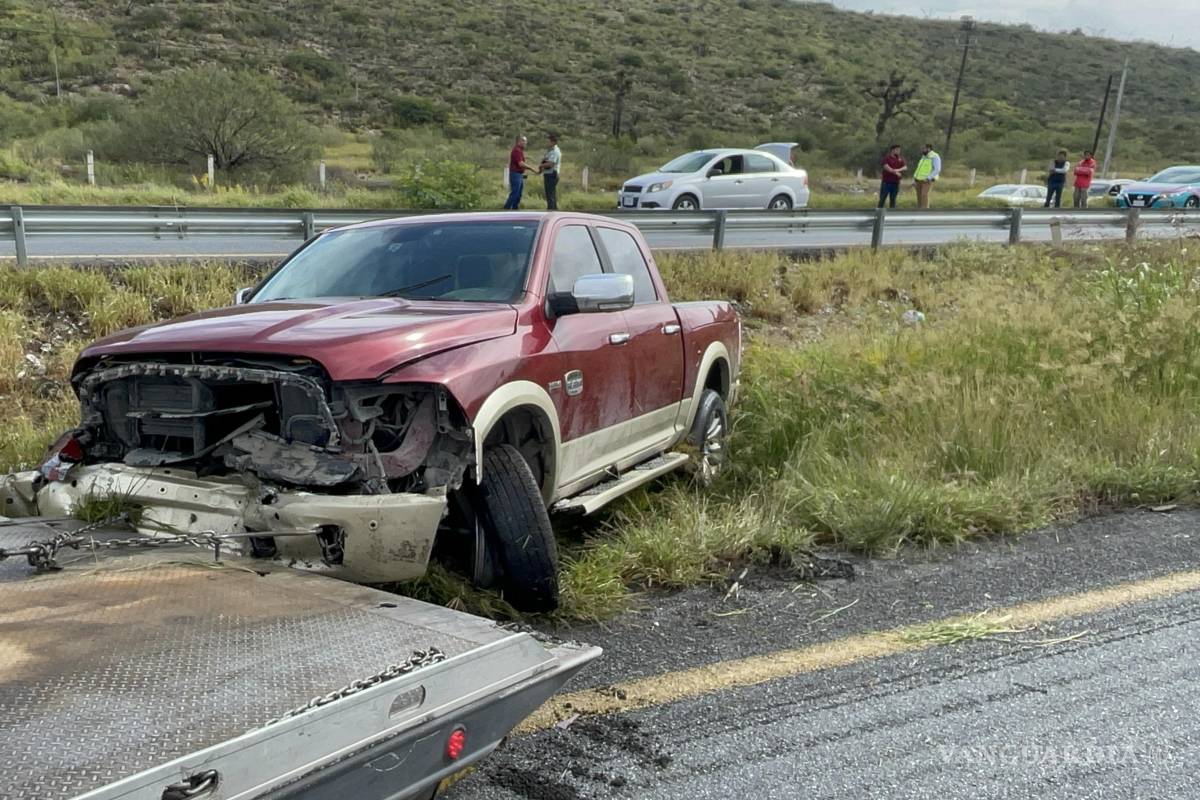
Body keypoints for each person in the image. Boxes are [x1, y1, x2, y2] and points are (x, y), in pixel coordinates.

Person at [503, 134, 540, 210]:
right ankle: (506, 209)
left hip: (518, 174)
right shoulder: (517, 150)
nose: (525, 143)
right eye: (524, 141)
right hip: (515, 174)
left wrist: (527, 157)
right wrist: (532, 168)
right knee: (515, 193)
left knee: (518, 194)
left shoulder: (519, 151)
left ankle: (514, 209)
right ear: (519, 141)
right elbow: (520, 164)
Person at [913, 143, 941, 209]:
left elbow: (937, 169)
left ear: (929, 148)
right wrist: (914, 179)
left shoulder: (935, 156)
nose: (922, 150)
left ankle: (925, 211)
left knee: (924, 195)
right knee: (919, 196)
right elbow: (918, 169)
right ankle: (919, 210)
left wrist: (929, 178)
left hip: (927, 180)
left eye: (924, 149)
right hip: (918, 179)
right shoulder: (923, 157)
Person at [878, 144, 905, 209]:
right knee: (882, 199)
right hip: (886, 182)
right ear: (893, 150)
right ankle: (878, 213)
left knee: (893, 200)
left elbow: (905, 167)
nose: (899, 151)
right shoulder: (887, 158)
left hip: (896, 183)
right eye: (897, 150)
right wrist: (896, 172)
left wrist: (898, 170)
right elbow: (886, 167)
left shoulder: (900, 158)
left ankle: (892, 214)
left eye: (899, 150)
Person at [539, 133, 562, 211]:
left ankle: (551, 210)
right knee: (550, 194)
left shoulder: (555, 151)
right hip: (548, 174)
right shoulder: (549, 151)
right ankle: (553, 209)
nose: (547, 143)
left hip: (552, 174)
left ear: (553, 142)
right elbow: (545, 160)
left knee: (550, 194)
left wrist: (541, 166)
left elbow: (551, 163)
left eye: (548, 141)